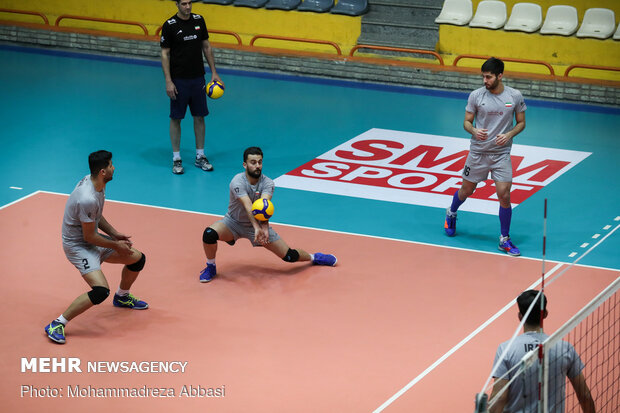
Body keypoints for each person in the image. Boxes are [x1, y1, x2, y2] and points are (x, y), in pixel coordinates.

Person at [44, 151, 148, 344]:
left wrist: (114, 234)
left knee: (138, 259)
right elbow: (89, 236)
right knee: (100, 291)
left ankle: (122, 297)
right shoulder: (87, 197)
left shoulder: (95, 183)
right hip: (78, 246)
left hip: (93, 239)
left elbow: (95, 216)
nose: (113, 168)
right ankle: (58, 323)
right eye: (110, 165)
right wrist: (116, 245)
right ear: (102, 171)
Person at [199, 147, 337, 282]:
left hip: (258, 224)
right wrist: (257, 227)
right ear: (244, 165)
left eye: (260, 162)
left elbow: (264, 208)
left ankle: (315, 257)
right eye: (253, 162)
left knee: (290, 256)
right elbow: (248, 206)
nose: (257, 166)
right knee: (209, 234)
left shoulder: (268, 183)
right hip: (233, 223)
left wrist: (263, 227)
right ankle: (211, 267)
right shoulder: (237, 181)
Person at [444, 57, 526, 256]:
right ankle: (451, 212)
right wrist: (473, 130)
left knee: (504, 194)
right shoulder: (476, 96)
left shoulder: (514, 96)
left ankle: (504, 239)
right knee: (466, 191)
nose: (485, 81)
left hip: (501, 153)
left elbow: (521, 122)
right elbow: (466, 121)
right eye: (483, 77)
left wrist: (509, 134)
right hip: (478, 152)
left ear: (500, 76)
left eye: (488, 77)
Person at [489, 290, 596, 413]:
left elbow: (499, 398)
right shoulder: (565, 348)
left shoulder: (505, 349)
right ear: (545, 314)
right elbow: (584, 395)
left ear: (520, 316)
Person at [160, 0, 223, 175]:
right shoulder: (170, 25)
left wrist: (214, 73)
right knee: (176, 118)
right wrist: (168, 81)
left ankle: (200, 156)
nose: (188, 7)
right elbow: (165, 54)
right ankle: (176, 159)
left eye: (190, 3)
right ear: (177, 4)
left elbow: (206, 47)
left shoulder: (199, 20)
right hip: (179, 80)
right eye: (184, 4)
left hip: (198, 79)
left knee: (200, 117)